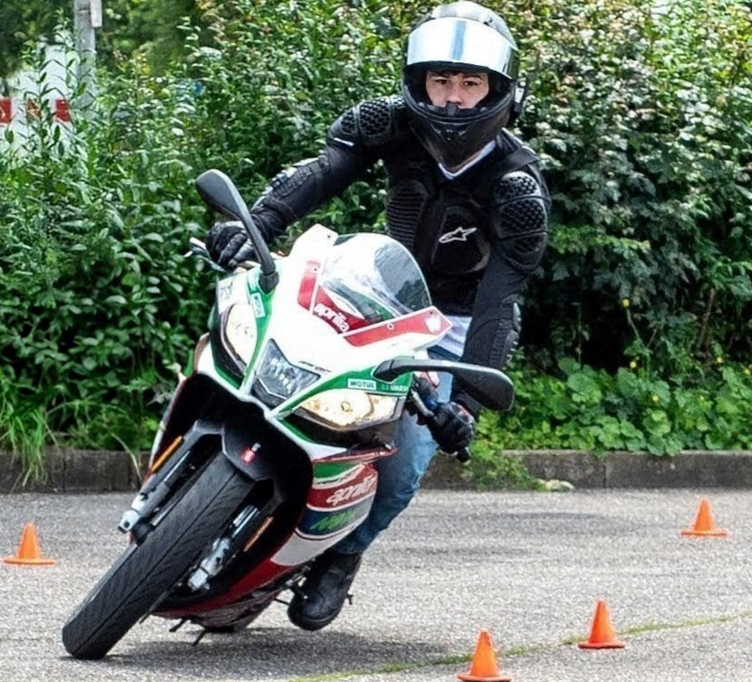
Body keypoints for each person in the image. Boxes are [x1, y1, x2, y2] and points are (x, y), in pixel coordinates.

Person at [205, 0, 550, 631]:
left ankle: (342, 556)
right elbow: (320, 175)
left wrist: (465, 404)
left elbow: (501, 299)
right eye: (439, 81)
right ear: (417, 82)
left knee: (405, 456)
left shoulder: (517, 187)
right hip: (377, 290)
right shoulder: (385, 123)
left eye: (470, 83)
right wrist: (253, 223)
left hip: (452, 328)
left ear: (500, 91)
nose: (452, 99)